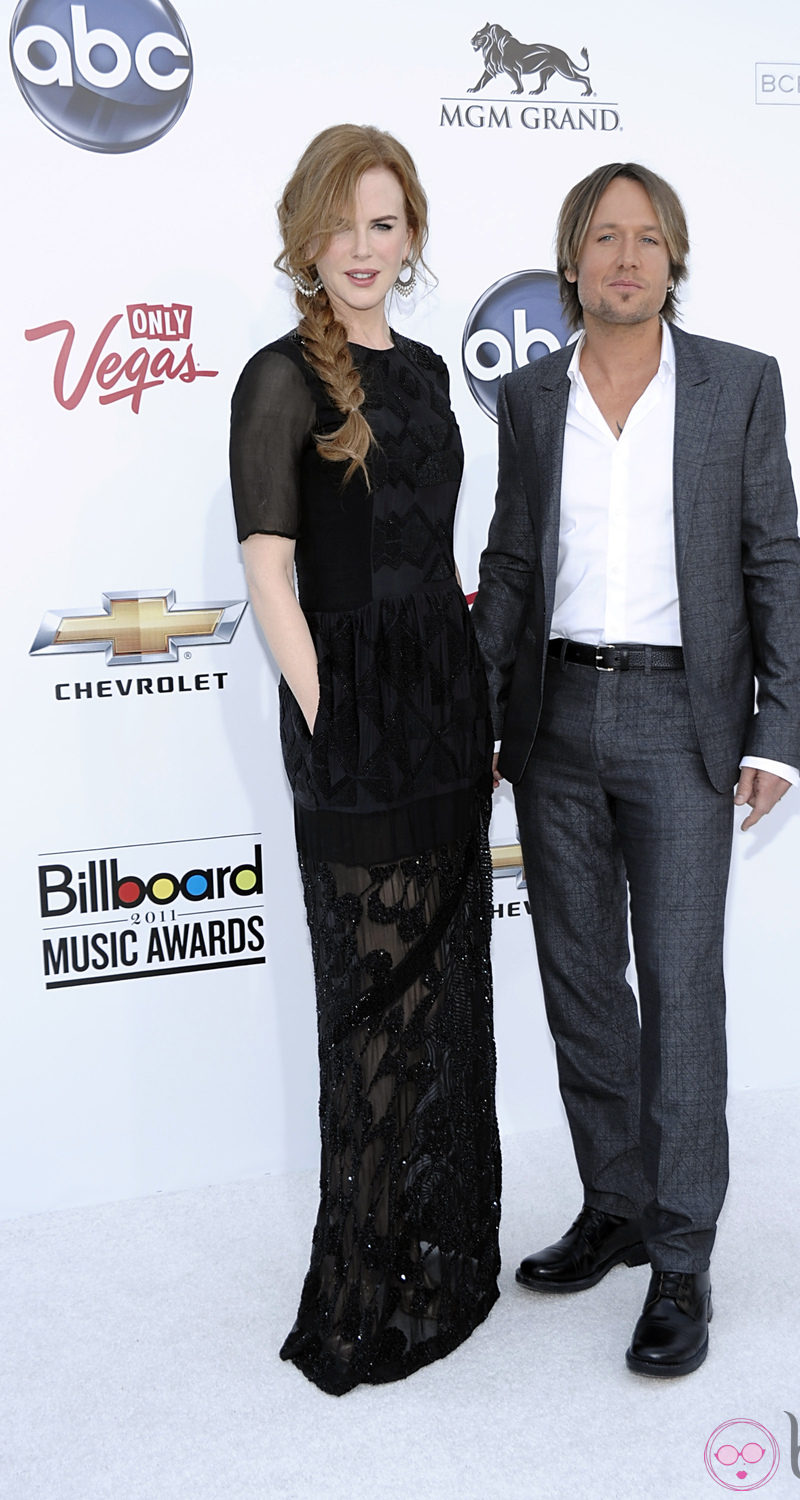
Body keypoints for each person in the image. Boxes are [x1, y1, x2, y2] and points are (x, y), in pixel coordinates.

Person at [471, 162, 800, 1377]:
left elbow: (771, 557)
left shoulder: (735, 386)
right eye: (603, 238)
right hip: (553, 718)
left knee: (677, 993)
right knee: (577, 981)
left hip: (683, 724)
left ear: (673, 260)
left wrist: (779, 726)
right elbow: (510, 565)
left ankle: (680, 1255)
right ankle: (613, 1203)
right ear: (570, 261)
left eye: (647, 239)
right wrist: (476, 713)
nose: (625, 258)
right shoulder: (523, 399)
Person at [229, 125, 500, 1397]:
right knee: (372, 1016)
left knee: (445, 992)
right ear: (306, 232)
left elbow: (435, 554)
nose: (361, 249)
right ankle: (359, 1281)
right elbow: (267, 573)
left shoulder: (435, 371)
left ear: (412, 237)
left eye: (384, 224)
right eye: (341, 224)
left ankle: (439, 1259)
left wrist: (462, 690)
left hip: (440, 702)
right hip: (351, 712)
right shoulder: (278, 376)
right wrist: (328, 708)